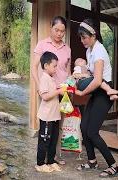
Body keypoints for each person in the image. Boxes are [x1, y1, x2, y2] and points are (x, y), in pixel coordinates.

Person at [75, 18, 118, 178]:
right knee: (84, 126)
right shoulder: (89, 50)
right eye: (81, 38)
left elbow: (97, 79)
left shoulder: (100, 50)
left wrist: (81, 93)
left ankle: (113, 166)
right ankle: (92, 161)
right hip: (96, 90)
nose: (82, 41)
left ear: (93, 35)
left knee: (92, 131)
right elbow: (91, 75)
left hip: (102, 91)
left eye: (84, 37)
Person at [32, 16, 71, 165]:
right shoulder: (42, 44)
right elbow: (35, 66)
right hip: (47, 90)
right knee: (46, 125)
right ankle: (42, 160)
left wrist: (68, 87)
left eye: (62, 31)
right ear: (51, 27)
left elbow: (67, 71)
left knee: (57, 125)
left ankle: (52, 158)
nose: (59, 34)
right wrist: (38, 84)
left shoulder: (67, 49)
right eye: (57, 30)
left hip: (62, 91)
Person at [35, 52, 65, 173]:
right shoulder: (44, 79)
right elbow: (45, 96)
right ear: (46, 65)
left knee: (53, 140)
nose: (56, 68)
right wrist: (58, 92)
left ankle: (51, 161)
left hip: (54, 116)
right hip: (46, 116)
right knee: (44, 140)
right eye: (54, 66)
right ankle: (40, 163)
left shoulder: (51, 79)